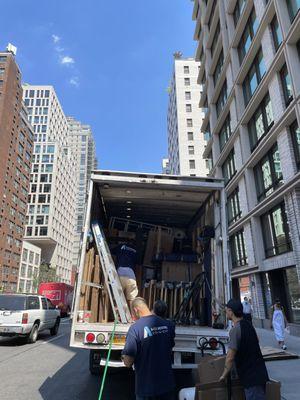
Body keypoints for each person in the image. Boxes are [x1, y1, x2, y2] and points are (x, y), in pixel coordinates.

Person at [122, 297, 176, 400]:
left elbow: (128, 362)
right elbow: (170, 345)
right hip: (167, 386)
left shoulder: (135, 329)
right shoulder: (168, 325)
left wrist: (123, 357)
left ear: (136, 310)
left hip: (146, 388)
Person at [219, 299, 269, 400]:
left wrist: (223, 375)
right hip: (260, 372)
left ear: (231, 312)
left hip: (251, 378)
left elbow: (230, 357)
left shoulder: (235, 330)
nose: (226, 312)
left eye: (227, 310)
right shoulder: (249, 325)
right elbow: (257, 339)